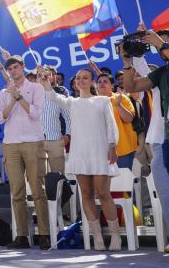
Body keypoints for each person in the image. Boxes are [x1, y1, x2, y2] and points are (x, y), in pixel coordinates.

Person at [38, 67, 121, 251]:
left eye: (85, 78)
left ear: (92, 82)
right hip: (80, 153)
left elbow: (110, 124)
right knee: (86, 195)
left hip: (100, 152)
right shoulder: (72, 103)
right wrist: (45, 83)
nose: (81, 81)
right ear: (74, 83)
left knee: (103, 193)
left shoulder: (102, 101)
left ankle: (116, 235)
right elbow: (53, 97)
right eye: (78, 79)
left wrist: (112, 145)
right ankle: (97, 236)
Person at [121, 28, 169, 260]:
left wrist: (160, 43)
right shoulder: (160, 73)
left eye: (165, 42)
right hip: (166, 138)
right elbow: (131, 87)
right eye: (157, 43)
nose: (159, 46)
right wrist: (127, 62)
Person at [0, 55, 50, 250]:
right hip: (10, 144)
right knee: (16, 192)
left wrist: (18, 97)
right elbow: (0, 119)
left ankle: (44, 234)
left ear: (23, 68)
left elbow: (35, 113)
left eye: (16, 67)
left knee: (38, 190)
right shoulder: (3, 92)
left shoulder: (36, 88)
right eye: (10, 69)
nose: (13, 71)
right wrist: (11, 98)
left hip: (33, 142)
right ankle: (22, 236)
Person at [131, 57, 169, 253]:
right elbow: (142, 69)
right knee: (167, 194)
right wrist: (135, 50)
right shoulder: (160, 82)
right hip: (161, 142)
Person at [96, 73, 137, 169]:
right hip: (102, 152)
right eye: (99, 82)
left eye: (105, 82)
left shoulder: (122, 98)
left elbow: (129, 119)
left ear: (112, 86)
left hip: (123, 150)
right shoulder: (92, 102)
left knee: (124, 181)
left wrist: (118, 105)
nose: (102, 84)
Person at [41, 66, 71, 173]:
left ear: (54, 77)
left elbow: (68, 118)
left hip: (56, 141)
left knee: (58, 177)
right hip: (36, 142)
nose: (46, 77)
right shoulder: (31, 97)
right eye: (44, 74)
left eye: (49, 74)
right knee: (39, 177)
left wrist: (68, 135)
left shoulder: (60, 96)